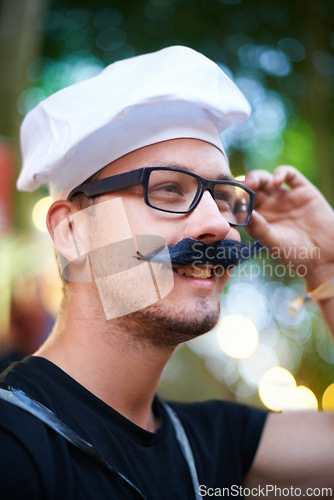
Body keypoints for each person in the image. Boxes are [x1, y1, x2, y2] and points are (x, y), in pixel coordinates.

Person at [1, 45, 334, 499]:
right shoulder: (13, 446)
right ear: (72, 231)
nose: (218, 223)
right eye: (169, 189)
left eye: (221, 196)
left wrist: (326, 262)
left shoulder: (213, 448)